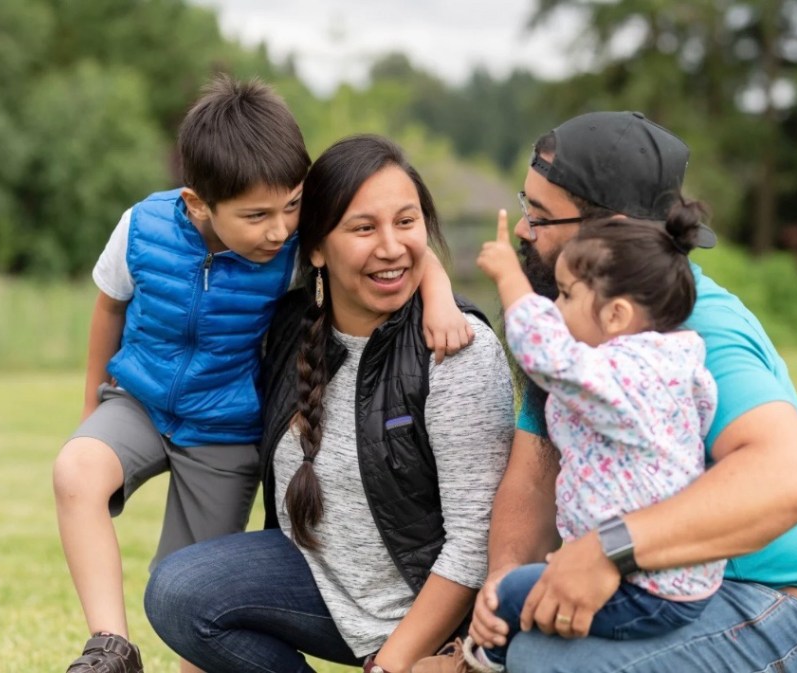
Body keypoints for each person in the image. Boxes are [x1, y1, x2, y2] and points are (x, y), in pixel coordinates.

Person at [52, 78, 472, 673]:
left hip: (224, 428)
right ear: (198, 203)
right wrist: (93, 407)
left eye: (292, 206)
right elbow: (109, 306)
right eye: (256, 215)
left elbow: (397, 242)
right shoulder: (142, 228)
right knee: (76, 469)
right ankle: (109, 648)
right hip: (139, 401)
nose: (278, 230)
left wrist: (443, 298)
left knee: (190, 593)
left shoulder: (292, 244)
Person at [433, 111, 797, 672]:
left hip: (777, 605)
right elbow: (534, 474)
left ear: (607, 229)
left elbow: (791, 478)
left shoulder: (698, 324)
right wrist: (501, 594)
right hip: (657, 593)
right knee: (528, 643)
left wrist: (609, 549)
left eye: (540, 216)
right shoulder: (575, 325)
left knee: (547, 661)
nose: (521, 232)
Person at [143, 134, 514, 673]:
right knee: (179, 591)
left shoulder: (454, 350)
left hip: (423, 612)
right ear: (315, 246)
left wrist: (390, 666)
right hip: (320, 586)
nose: (390, 246)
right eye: (363, 228)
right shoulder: (287, 327)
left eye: (406, 223)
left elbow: (472, 546)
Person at [429, 200, 725, 673]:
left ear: (616, 316)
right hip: (675, 579)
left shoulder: (627, 373)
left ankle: (479, 664)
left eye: (565, 295)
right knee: (530, 588)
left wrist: (510, 279)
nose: (555, 307)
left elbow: (549, 355)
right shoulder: (672, 361)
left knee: (509, 597)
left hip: (645, 587)